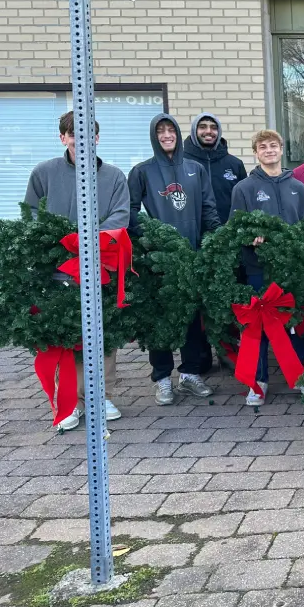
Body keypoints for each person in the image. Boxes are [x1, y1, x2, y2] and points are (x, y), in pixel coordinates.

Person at [24, 111, 129, 430]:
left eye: (87, 135)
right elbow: (30, 214)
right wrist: (57, 244)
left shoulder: (113, 176)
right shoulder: (44, 173)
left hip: (100, 266)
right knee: (63, 333)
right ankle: (69, 402)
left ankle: (100, 397)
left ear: (96, 138)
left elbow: (120, 216)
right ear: (63, 138)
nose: (80, 140)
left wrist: (87, 241)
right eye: (73, 135)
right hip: (58, 269)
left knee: (103, 333)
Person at [128, 113, 220, 405]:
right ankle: (163, 377)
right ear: (154, 136)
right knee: (161, 319)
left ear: (179, 134)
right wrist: (150, 240)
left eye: (171, 130)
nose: (166, 135)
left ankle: (191, 373)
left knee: (193, 316)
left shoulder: (194, 169)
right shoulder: (142, 171)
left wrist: (214, 241)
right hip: (160, 261)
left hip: (192, 255)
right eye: (160, 131)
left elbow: (208, 209)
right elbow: (129, 213)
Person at [229, 129, 304, 404]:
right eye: (263, 147)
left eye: (273, 145)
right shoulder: (244, 188)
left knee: (295, 321)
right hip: (258, 268)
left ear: (281, 149)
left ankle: (301, 376)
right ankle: (258, 381)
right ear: (256, 153)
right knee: (257, 326)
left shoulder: (297, 187)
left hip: (291, 268)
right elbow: (235, 229)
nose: (269, 150)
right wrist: (250, 239)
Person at [181, 113, 247, 223]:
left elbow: (245, 201)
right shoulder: (180, 163)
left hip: (227, 234)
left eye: (213, 128)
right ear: (194, 131)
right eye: (202, 127)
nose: (208, 131)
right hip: (191, 234)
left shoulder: (235, 164)